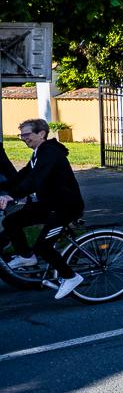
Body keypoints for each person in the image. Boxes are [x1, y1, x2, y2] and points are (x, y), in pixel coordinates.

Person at [0, 119, 86, 299]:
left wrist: (11, 196)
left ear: (41, 133)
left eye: (27, 134)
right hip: (50, 205)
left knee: (42, 246)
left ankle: (70, 277)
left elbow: (35, 179)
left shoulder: (50, 152)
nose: (24, 138)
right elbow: (23, 176)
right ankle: (26, 256)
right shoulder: (38, 153)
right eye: (21, 135)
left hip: (65, 207)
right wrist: (5, 189)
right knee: (11, 221)